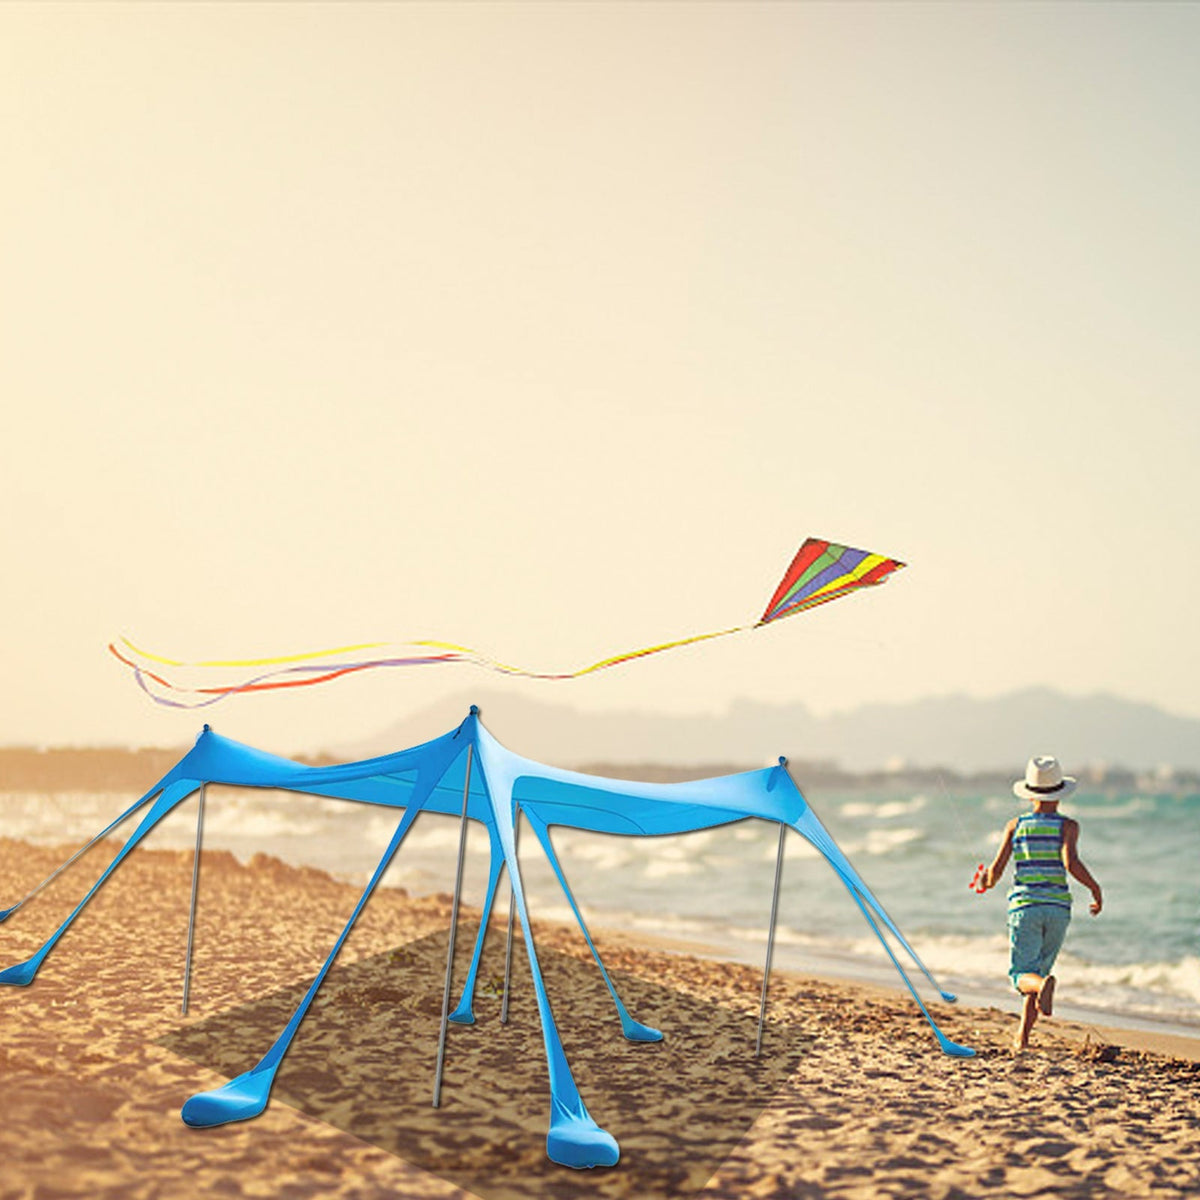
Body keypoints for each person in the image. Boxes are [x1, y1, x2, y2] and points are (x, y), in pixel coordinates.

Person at [982, 755, 1102, 1051]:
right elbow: (1070, 863)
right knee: (1039, 971)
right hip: (1059, 910)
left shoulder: (1015, 826)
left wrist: (984, 880)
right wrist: (1094, 888)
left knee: (1023, 975)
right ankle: (1022, 1037)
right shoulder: (1069, 826)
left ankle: (1039, 992)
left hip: (1025, 908)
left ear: (1029, 791)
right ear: (1059, 793)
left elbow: (995, 874)